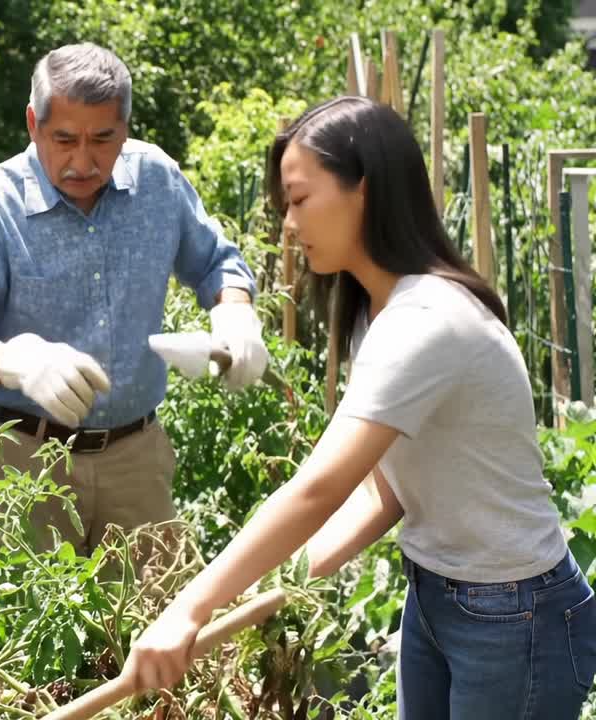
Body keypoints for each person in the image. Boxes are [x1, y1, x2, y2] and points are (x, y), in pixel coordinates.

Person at [121, 96, 596, 717]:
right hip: (440, 596)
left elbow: (320, 487)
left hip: (513, 613)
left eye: (298, 199)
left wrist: (189, 608)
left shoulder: (426, 321)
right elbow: (385, 490)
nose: (288, 224)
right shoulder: (375, 313)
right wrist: (280, 583)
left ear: (363, 191)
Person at [0, 43, 268, 554]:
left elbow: (216, 262)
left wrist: (236, 312)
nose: (83, 161)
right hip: (22, 464)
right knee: (18, 626)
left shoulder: (157, 181)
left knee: (153, 623)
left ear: (125, 128)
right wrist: (19, 362)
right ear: (32, 124)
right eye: (64, 139)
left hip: (136, 460)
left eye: (103, 139)